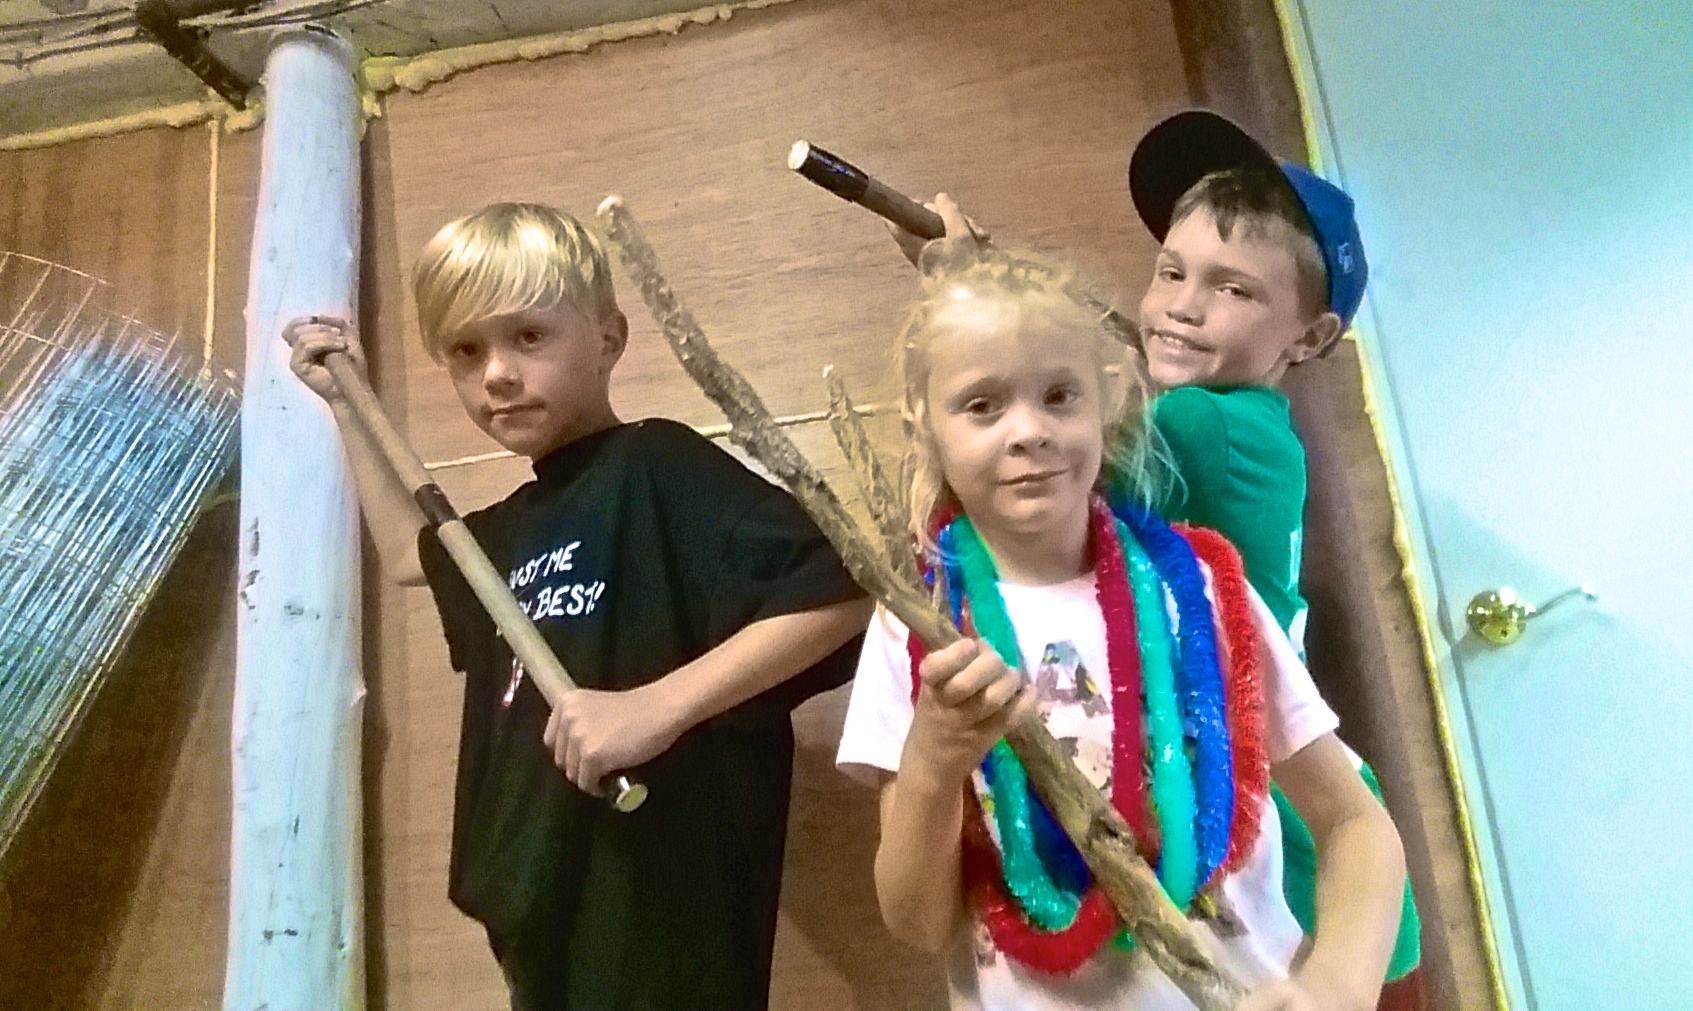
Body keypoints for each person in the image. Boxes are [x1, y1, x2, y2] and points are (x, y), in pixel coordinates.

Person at [286, 202, 871, 1011]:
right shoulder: (505, 531)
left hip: (654, 906)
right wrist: (345, 402)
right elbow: (404, 555)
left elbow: (845, 587)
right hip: (539, 910)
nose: (496, 374)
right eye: (465, 350)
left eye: (528, 335)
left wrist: (655, 707)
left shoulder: (656, 466)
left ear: (607, 339)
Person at [891, 109, 1420, 983]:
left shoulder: (1204, 425)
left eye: (1233, 290)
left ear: (1310, 337)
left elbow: (1049, 455)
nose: (1182, 304)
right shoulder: (1250, 426)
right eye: (1171, 270)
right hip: (1300, 853)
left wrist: (966, 295)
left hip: (1292, 870)